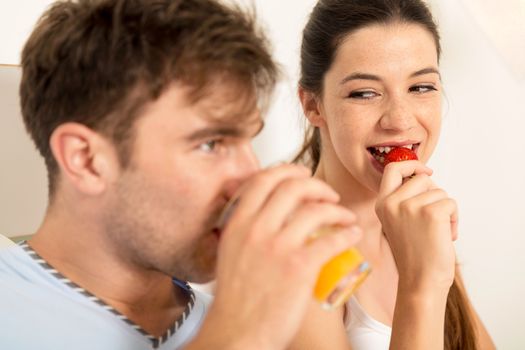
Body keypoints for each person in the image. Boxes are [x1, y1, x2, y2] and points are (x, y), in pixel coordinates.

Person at [0, 0, 364, 349]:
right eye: (210, 144)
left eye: (247, 142)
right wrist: (239, 334)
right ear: (87, 160)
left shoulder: (253, 321)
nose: (251, 177)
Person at [290, 0, 496, 349]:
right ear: (313, 105)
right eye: (365, 93)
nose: (400, 120)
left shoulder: (419, 219)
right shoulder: (299, 250)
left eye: (421, 87)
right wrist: (422, 283)